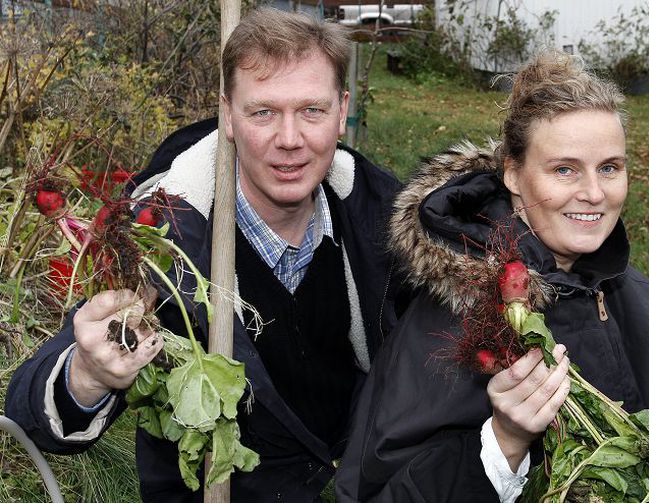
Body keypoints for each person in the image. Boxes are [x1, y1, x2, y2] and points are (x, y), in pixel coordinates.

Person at [5, 8, 403, 502]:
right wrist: (89, 374)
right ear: (228, 114)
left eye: (311, 111)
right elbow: (29, 411)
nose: (290, 139)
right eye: (263, 112)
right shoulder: (162, 238)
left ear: (342, 111)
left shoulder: (383, 219)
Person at [334, 50, 649, 502]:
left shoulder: (621, 291)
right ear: (513, 173)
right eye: (564, 169)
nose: (593, 193)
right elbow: (376, 491)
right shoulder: (459, 321)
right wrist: (504, 443)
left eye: (609, 167)